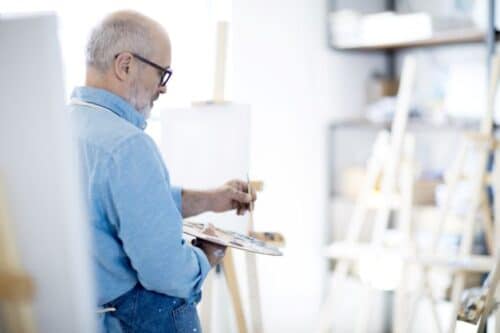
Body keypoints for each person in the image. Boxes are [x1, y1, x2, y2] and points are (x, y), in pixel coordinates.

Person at [70, 10, 255, 333]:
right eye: (162, 74)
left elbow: (113, 205)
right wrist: (205, 257)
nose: (163, 88)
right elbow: (166, 272)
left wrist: (211, 198)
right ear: (125, 65)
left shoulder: (60, 126)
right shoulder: (128, 146)